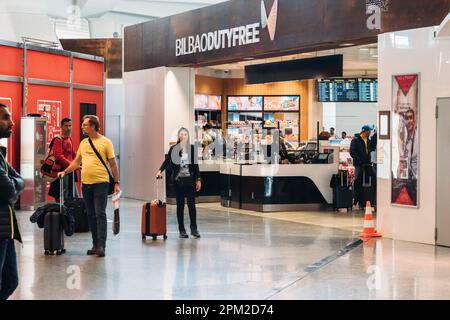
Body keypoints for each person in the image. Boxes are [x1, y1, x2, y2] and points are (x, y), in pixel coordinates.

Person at [58, 115, 120, 257]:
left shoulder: (106, 142)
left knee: (100, 214)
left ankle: (102, 246)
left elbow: (113, 164)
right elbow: (76, 162)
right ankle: (95, 245)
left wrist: (116, 182)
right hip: (86, 184)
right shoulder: (84, 143)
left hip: (101, 183)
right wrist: (64, 171)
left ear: (93, 126)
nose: (82, 127)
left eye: (85, 125)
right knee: (91, 215)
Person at [156, 128, 202, 239]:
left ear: (188, 136)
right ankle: (181, 230)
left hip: (190, 181)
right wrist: (159, 171)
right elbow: (166, 161)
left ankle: (193, 229)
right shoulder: (174, 149)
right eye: (181, 134)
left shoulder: (192, 149)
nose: (183, 136)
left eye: (185, 134)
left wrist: (198, 179)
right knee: (180, 206)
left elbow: (195, 166)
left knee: (192, 206)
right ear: (179, 136)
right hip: (178, 181)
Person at [0, 103, 24, 300]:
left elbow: (19, 180)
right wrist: (14, 188)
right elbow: (9, 189)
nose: (12, 122)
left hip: (6, 229)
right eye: (6, 117)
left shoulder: (0, 154)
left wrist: (13, 187)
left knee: (10, 281)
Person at [48, 118, 77, 202]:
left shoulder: (69, 139)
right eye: (66, 126)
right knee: (62, 195)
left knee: (70, 194)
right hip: (61, 171)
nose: (68, 128)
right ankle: (61, 213)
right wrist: (72, 165)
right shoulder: (58, 140)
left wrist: (79, 162)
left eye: (70, 126)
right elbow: (59, 156)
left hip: (70, 170)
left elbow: (73, 153)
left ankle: (69, 212)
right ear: (61, 127)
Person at [350, 125, 374, 208]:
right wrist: (359, 161)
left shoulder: (368, 140)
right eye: (369, 131)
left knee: (366, 182)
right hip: (359, 165)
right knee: (357, 182)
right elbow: (352, 152)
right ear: (365, 131)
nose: (370, 132)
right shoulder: (355, 140)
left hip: (367, 165)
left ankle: (363, 200)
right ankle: (355, 199)